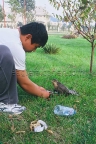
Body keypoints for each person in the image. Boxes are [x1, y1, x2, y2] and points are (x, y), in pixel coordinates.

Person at [0, 22, 50, 114]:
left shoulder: (8, 33)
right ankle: (5, 102)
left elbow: (22, 77)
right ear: (28, 37)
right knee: (4, 54)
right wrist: (43, 94)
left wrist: (37, 87)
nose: (34, 50)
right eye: (35, 47)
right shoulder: (15, 46)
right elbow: (24, 83)